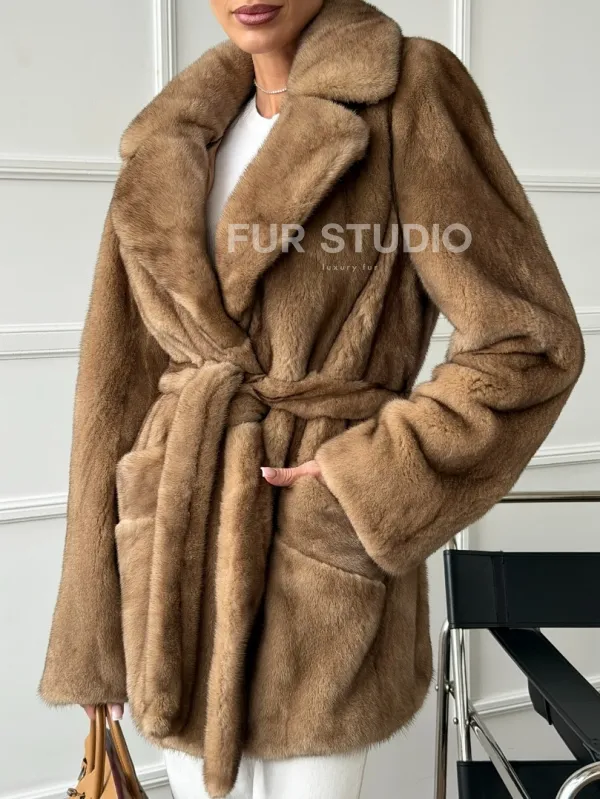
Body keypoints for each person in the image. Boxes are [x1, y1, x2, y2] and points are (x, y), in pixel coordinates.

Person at [37, 0, 586, 797]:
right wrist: (92, 636)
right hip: (169, 573)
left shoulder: (407, 90)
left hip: (316, 570)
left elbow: (529, 340)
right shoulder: (168, 138)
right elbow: (110, 389)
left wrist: (366, 477)